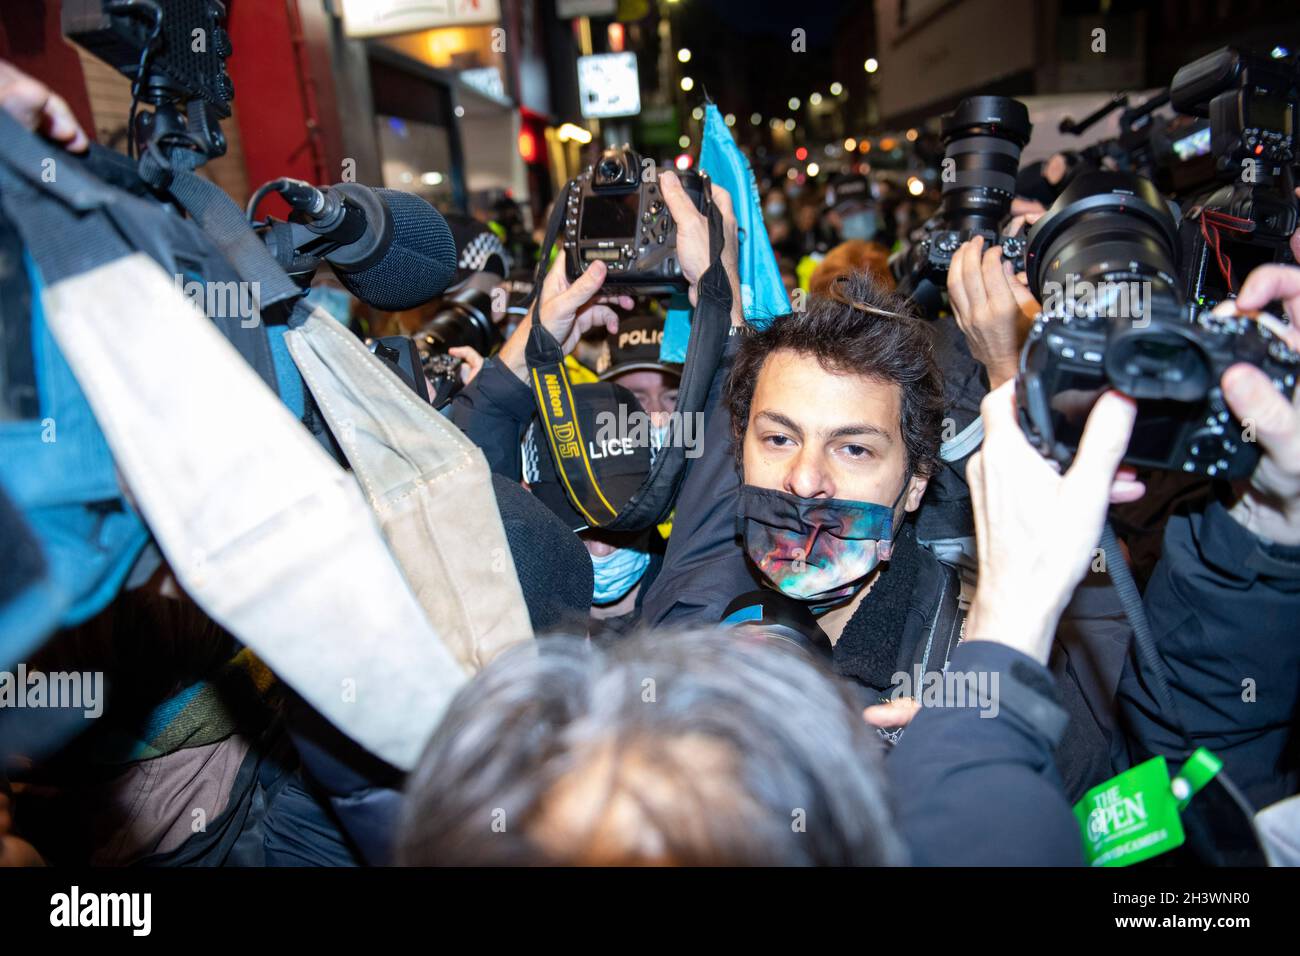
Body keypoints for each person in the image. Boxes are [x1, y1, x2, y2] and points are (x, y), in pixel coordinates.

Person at [397, 371, 1145, 866]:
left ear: (915, 485)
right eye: (777, 438)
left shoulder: (991, 665)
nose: (806, 481)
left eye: (853, 448)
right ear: (738, 455)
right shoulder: (656, 656)